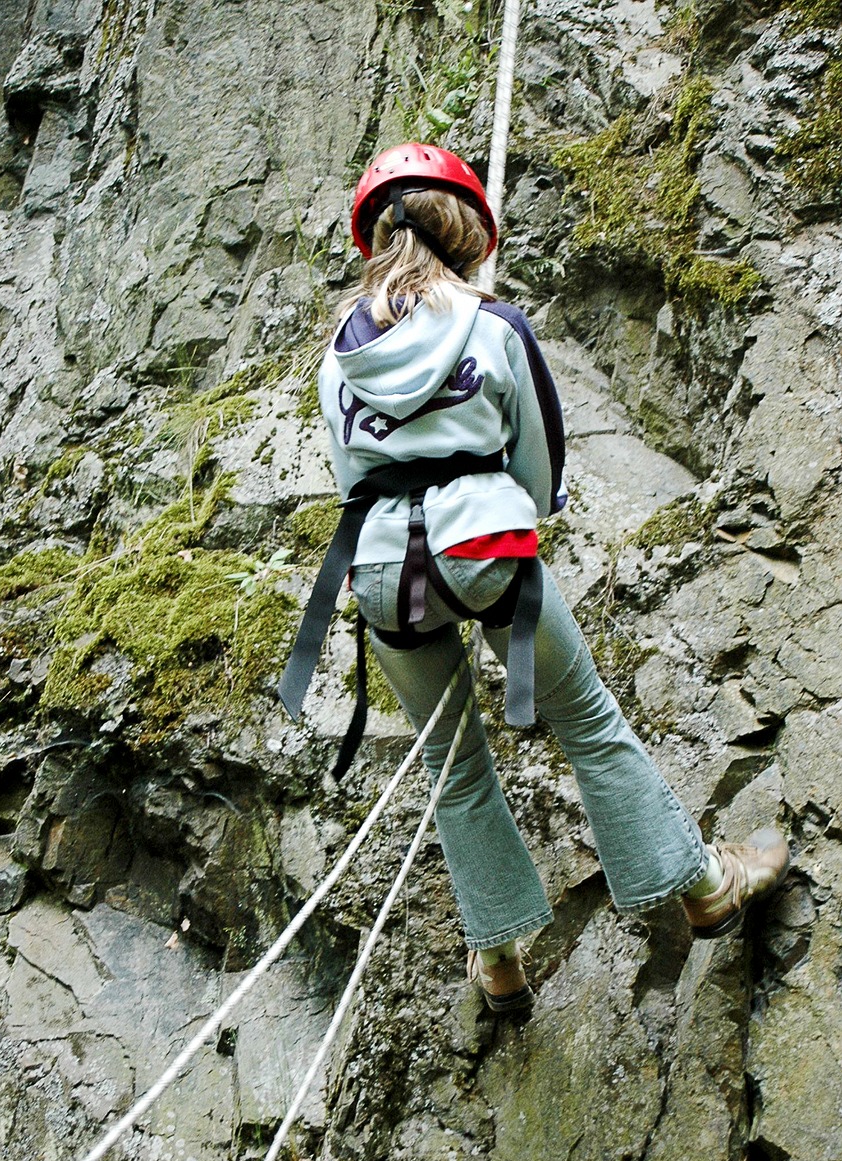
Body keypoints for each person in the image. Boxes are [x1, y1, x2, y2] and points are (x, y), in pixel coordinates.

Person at [283, 143, 790, 1013]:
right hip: (486, 550)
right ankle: (705, 886)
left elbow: (349, 477)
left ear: (374, 238)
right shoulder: (495, 327)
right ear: (469, 230)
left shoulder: (337, 356)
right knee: (586, 720)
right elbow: (540, 472)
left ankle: (501, 962)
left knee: (452, 764)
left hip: (377, 569)